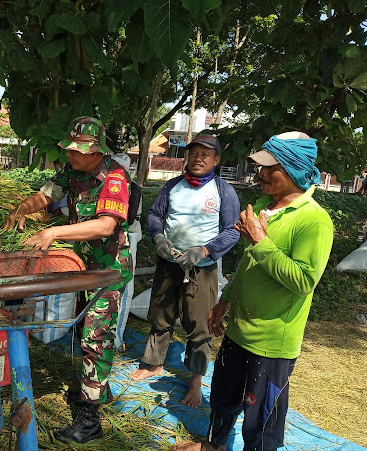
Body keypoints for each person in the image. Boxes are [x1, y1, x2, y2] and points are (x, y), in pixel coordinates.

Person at [178, 132, 334, 451]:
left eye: (268, 167)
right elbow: (250, 265)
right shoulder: (264, 205)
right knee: (223, 398)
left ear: (292, 169)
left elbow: (303, 281)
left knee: (260, 422)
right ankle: (213, 446)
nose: (259, 173)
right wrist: (225, 300)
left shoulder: (314, 221)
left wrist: (260, 241)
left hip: (271, 343)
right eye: (259, 166)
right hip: (238, 331)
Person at [4, 116, 133, 444]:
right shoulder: (73, 172)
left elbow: (105, 226)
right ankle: (94, 389)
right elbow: (46, 195)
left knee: (95, 337)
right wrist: (21, 210)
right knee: (83, 329)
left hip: (109, 270)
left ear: (96, 151)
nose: (71, 155)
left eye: (78, 150)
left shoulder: (114, 176)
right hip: (83, 266)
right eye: (69, 149)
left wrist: (54, 231)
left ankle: (90, 420)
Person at [130, 134, 240, 408]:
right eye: (193, 154)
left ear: (216, 160)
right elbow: (155, 216)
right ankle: (154, 363)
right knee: (160, 313)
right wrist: (159, 239)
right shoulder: (172, 187)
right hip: (169, 264)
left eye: (205, 155)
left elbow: (232, 232)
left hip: (201, 269)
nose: (198, 159)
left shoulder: (223, 191)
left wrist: (203, 251)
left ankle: (195, 380)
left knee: (199, 323)